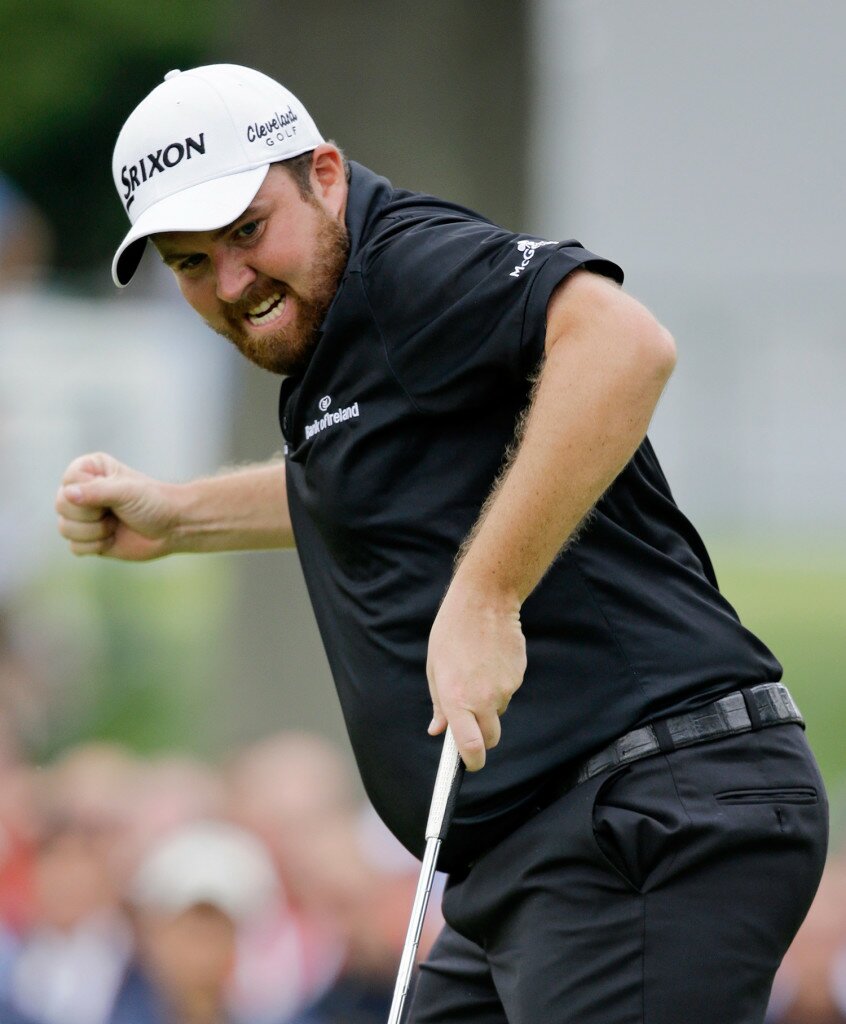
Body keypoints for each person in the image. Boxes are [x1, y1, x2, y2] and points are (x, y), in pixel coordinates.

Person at [55, 64, 828, 1023]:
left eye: (247, 231)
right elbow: (359, 480)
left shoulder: (405, 265)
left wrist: (487, 593)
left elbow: (624, 346)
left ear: (326, 176)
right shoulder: (343, 329)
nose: (232, 282)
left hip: (645, 815)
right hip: (534, 856)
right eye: (190, 263)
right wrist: (181, 517)